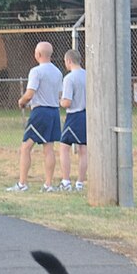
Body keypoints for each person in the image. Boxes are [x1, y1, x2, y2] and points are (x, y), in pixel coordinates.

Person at [7, 41, 63, 193]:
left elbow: (30, 93)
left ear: (38, 54)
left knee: (26, 147)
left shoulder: (36, 72)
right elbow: (59, 95)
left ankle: (22, 183)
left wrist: (22, 101)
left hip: (40, 112)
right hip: (54, 112)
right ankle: (48, 184)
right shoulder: (58, 72)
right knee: (49, 148)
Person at [58, 49, 87, 192]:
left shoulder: (69, 78)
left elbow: (67, 102)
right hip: (87, 114)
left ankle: (66, 181)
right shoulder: (88, 75)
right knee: (84, 149)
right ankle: (80, 182)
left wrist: (60, 101)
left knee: (64, 147)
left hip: (74, 115)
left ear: (69, 61)